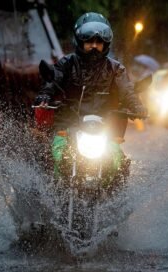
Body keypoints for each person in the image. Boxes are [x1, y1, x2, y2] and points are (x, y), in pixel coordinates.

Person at [35, 12, 147, 176]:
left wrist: (137, 105)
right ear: (80, 42)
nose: (94, 46)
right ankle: (50, 191)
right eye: (89, 41)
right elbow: (53, 81)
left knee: (119, 161)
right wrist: (45, 94)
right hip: (68, 124)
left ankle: (116, 198)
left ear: (105, 44)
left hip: (104, 127)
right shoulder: (67, 63)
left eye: (99, 42)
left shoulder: (116, 69)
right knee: (54, 154)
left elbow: (127, 91)